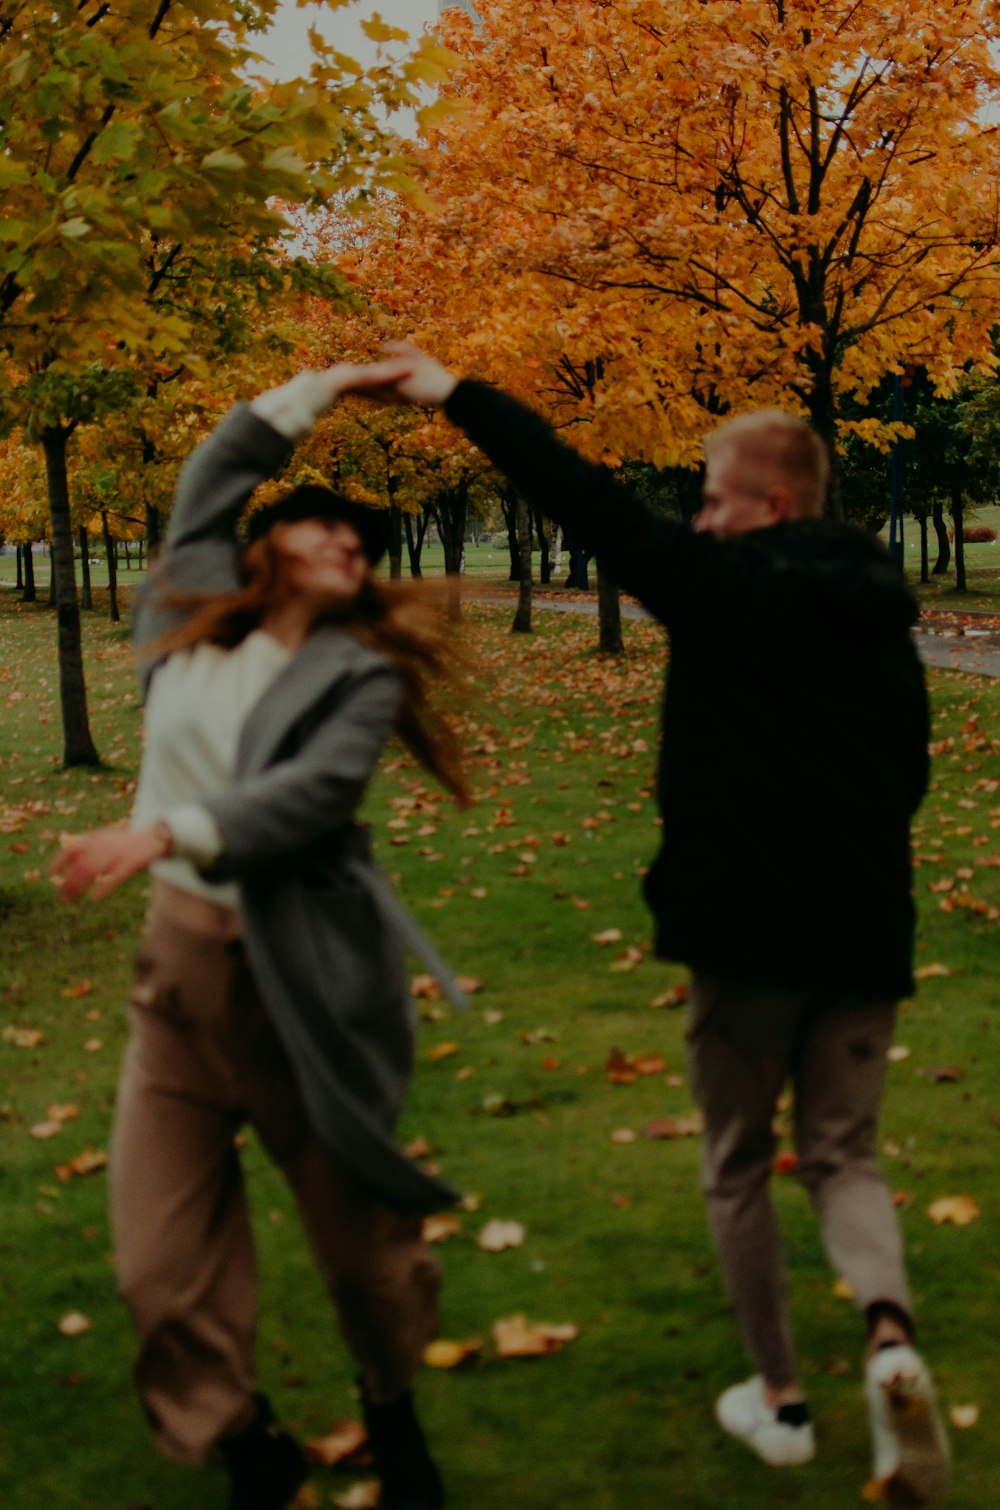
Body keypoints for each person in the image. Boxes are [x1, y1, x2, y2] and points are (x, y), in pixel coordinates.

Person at [353, 344, 950, 1505]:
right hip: (864, 928)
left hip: (745, 936)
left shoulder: (724, 586)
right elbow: (910, 769)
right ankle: (889, 1338)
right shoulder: (880, 610)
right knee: (844, 1153)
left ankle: (777, 1404)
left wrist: (454, 393)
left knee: (735, 1163)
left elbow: (581, 493)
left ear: (770, 502)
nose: (697, 517)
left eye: (714, 497)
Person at [51, 362, 468, 1510]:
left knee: (364, 1255)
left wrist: (163, 832)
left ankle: (391, 1405)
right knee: (156, 1266)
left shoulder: (356, 672)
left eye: (362, 541)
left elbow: (312, 798)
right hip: (179, 978)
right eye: (324, 526)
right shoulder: (185, 607)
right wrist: (326, 385)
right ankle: (247, 1440)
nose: (348, 544)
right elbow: (212, 474)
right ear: (269, 544)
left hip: (307, 984)